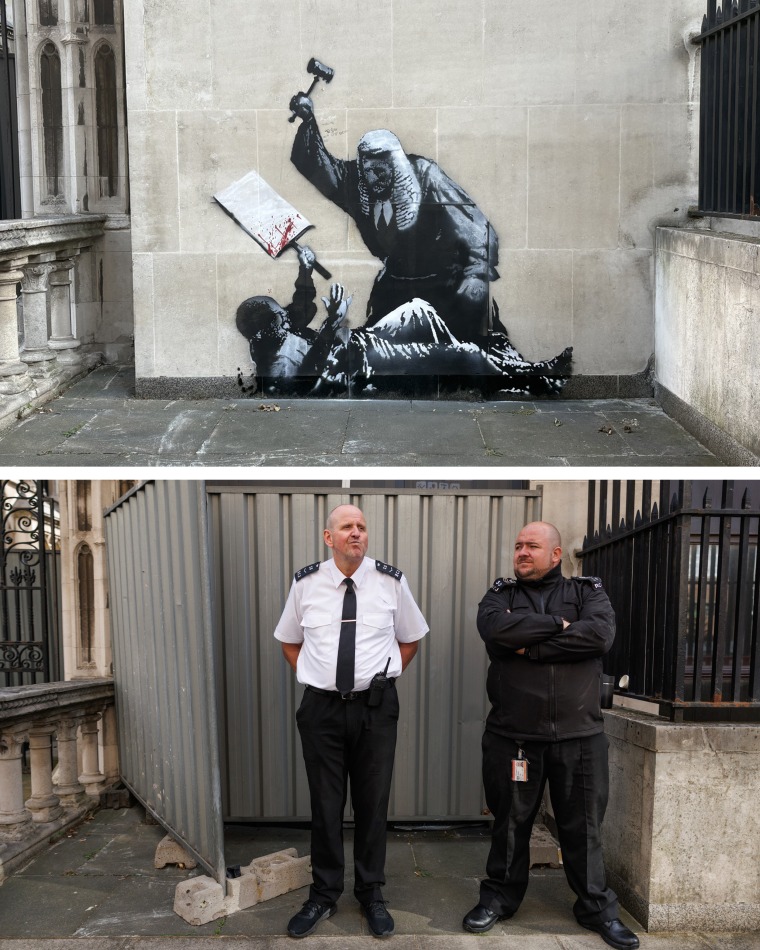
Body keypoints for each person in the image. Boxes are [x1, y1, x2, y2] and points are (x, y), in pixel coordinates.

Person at [463, 521, 639, 950]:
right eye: (518, 545)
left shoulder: (586, 592)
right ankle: (499, 898)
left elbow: (598, 635)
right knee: (510, 824)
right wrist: (559, 626)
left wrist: (531, 644)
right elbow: (496, 631)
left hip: (580, 736)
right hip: (514, 737)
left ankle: (596, 908)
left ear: (556, 554)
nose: (522, 552)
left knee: (584, 827)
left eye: (532, 546)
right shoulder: (500, 596)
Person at [274, 504, 428, 938]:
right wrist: (316, 676)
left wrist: (384, 677)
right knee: (325, 806)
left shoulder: (390, 582)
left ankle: (371, 893)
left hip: (375, 710)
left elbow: (411, 638)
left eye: (361, 526)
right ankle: (323, 894)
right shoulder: (306, 583)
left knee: (372, 803)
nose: (356, 533)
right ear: (329, 537)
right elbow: (289, 641)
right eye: (347, 527)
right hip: (321, 710)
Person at [289, 94, 499, 340]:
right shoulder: (357, 183)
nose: (373, 180)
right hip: (396, 284)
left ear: (396, 167)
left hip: (443, 285)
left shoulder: (426, 177)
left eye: (380, 172)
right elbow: (318, 166)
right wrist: (308, 119)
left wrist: (476, 274)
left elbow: (474, 226)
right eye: (368, 171)